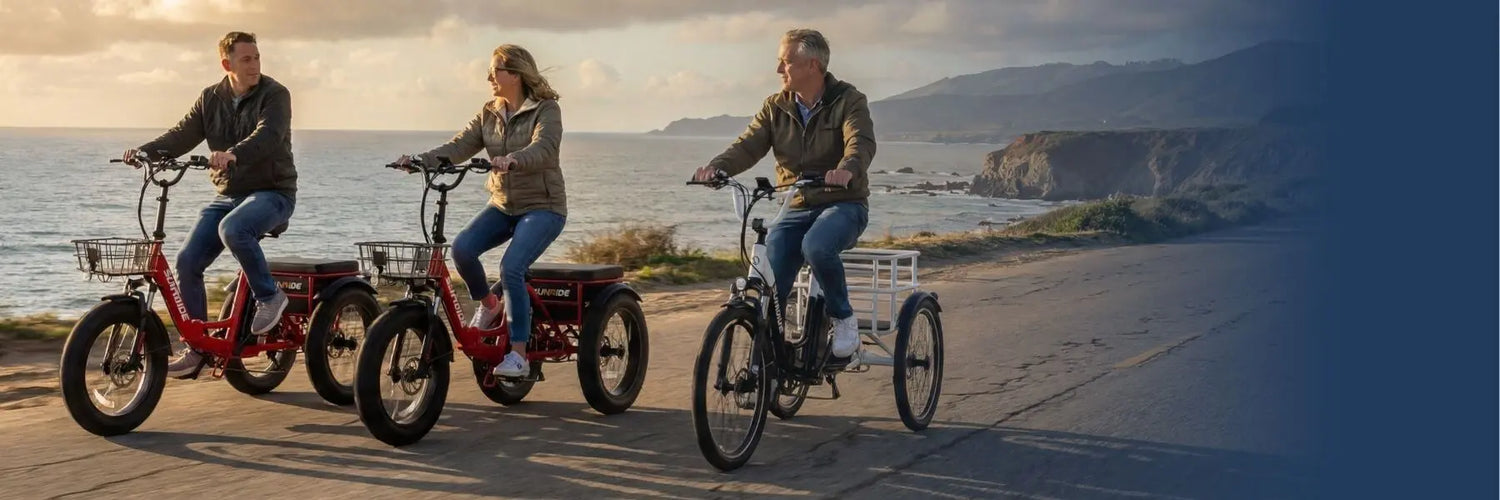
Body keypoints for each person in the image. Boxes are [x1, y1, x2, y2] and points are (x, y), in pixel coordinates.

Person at [692, 28, 876, 359]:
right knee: (768, 278)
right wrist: (718, 169)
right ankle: (773, 361)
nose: (779, 70)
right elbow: (747, 146)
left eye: (786, 62)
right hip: (795, 206)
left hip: (842, 204)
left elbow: (860, 142)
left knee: (817, 246)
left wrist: (847, 169)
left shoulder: (850, 100)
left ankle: (843, 318)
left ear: (813, 65)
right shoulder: (775, 106)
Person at [124, 31, 297, 378]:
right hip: (230, 194)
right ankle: (199, 347)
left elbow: (268, 135)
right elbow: (181, 135)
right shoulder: (210, 98)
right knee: (187, 261)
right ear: (226, 64)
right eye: (246, 59)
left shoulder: (275, 94)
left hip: (273, 192)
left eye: (257, 58)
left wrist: (234, 154)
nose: (254, 65)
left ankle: (270, 297)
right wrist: (145, 151)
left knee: (232, 228)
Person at [394, 44, 566, 378]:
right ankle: (490, 305)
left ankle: (519, 354)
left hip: (543, 207)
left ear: (514, 74)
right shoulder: (489, 111)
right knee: (462, 249)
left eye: (495, 70)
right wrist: (419, 161)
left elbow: (544, 147)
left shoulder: (546, 109)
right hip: (503, 205)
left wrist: (515, 159)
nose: (489, 77)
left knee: (511, 267)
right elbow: (459, 146)